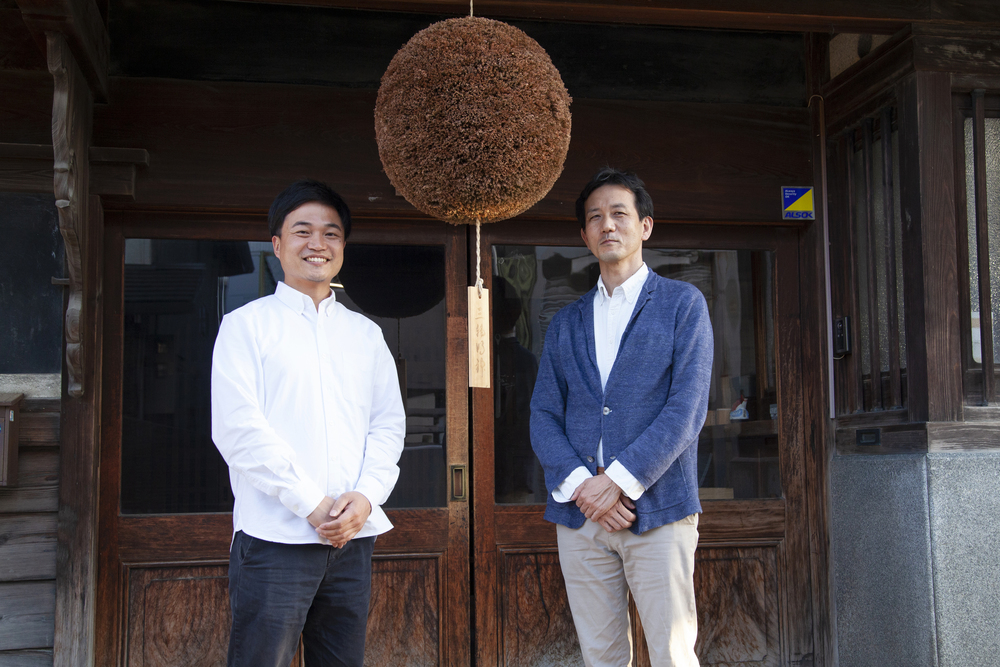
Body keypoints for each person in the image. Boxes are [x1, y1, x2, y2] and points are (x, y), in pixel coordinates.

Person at [211, 179, 405, 667]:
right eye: (302, 231)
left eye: (331, 233)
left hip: (352, 540)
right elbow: (237, 429)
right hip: (274, 540)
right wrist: (312, 505)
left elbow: (387, 425)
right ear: (277, 245)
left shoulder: (366, 334)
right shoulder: (245, 326)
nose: (317, 243)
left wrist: (366, 497)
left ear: (343, 247)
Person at [530, 167, 713, 667]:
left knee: (672, 653)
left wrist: (616, 483)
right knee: (601, 655)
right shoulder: (566, 321)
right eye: (595, 217)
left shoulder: (682, 305)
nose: (607, 225)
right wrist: (584, 488)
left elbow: (686, 409)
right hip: (581, 514)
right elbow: (543, 412)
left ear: (645, 226)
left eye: (619, 213)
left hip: (659, 508)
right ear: (584, 235)